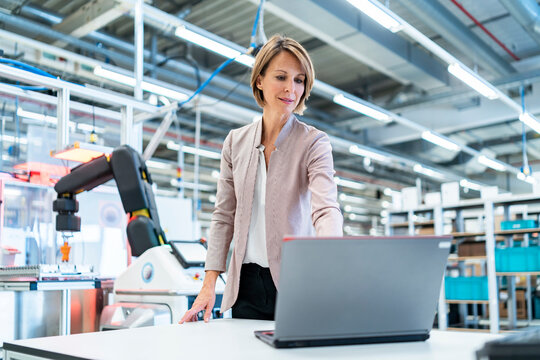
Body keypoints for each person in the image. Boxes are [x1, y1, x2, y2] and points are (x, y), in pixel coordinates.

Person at [179, 34, 343, 323]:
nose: (291, 89)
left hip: (297, 283)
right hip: (246, 288)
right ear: (259, 80)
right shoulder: (235, 142)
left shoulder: (314, 143)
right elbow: (223, 217)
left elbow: (326, 208)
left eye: (299, 80)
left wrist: (331, 258)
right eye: (281, 77)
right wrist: (208, 285)